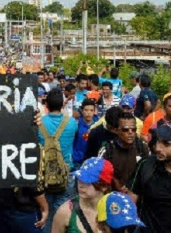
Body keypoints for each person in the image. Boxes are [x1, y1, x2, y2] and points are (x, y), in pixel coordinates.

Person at [38, 88, 78, 233]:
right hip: (66, 172)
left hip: (44, 173)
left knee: (46, 211)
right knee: (63, 208)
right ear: (62, 104)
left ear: (46, 105)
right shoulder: (72, 123)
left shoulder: (39, 124)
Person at [51, 157, 114, 233]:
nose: (80, 185)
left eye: (87, 181)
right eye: (79, 179)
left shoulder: (116, 210)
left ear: (104, 186)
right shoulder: (65, 212)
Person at [98, 112, 150, 191]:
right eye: (125, 129)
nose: (130, 132)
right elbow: (99, 174)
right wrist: (115, 183)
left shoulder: (143, 147)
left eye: (133, 129)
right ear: (116, 130)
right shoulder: (107, 150)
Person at [72, 99, 98, 171]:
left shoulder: (98, 125)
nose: (88, 113)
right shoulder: (76, 124)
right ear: (82, 111)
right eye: (86, 110)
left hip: (92, 161)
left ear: (94, 111)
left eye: (91, 110)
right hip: (77, 161)